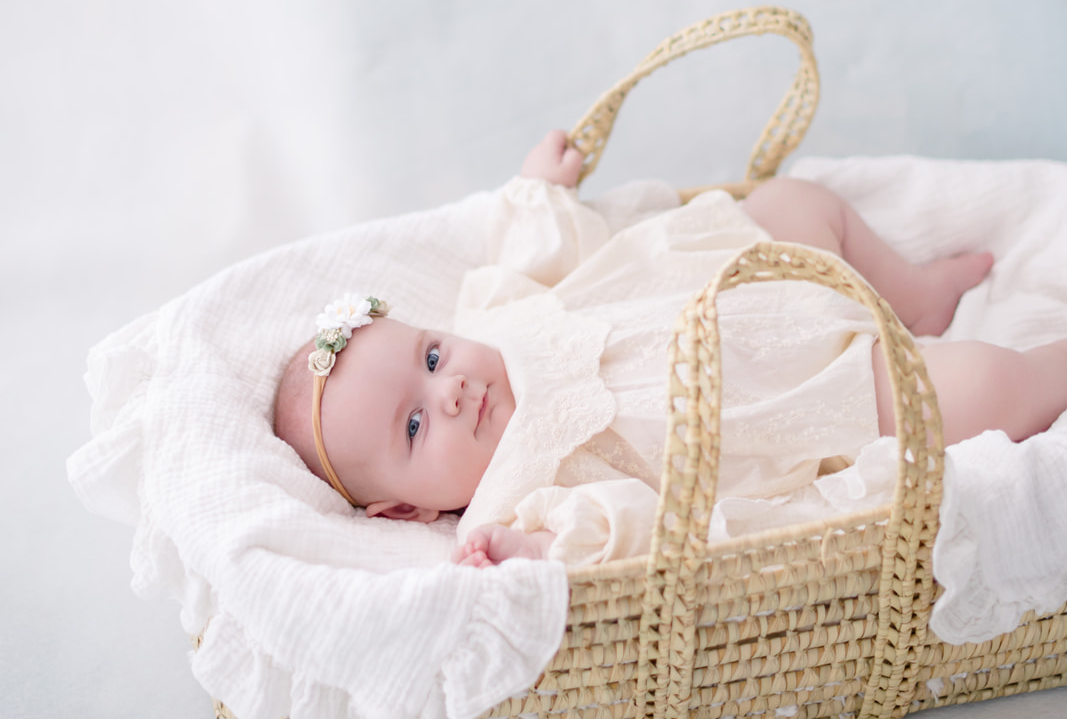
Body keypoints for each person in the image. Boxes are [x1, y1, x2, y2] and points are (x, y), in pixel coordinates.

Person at [273, 131, 1067, 570]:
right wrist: (537, 550)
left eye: (432, 357)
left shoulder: (495, 316)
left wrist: (539, 191)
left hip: (750, 275)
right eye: (415, 427)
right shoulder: (514, 495)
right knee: (991, 386)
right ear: (407, 510)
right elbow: (629, 528)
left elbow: (523, 255)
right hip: (818, 394)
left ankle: (908, 294)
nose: (446, 390)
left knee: (792, 201)